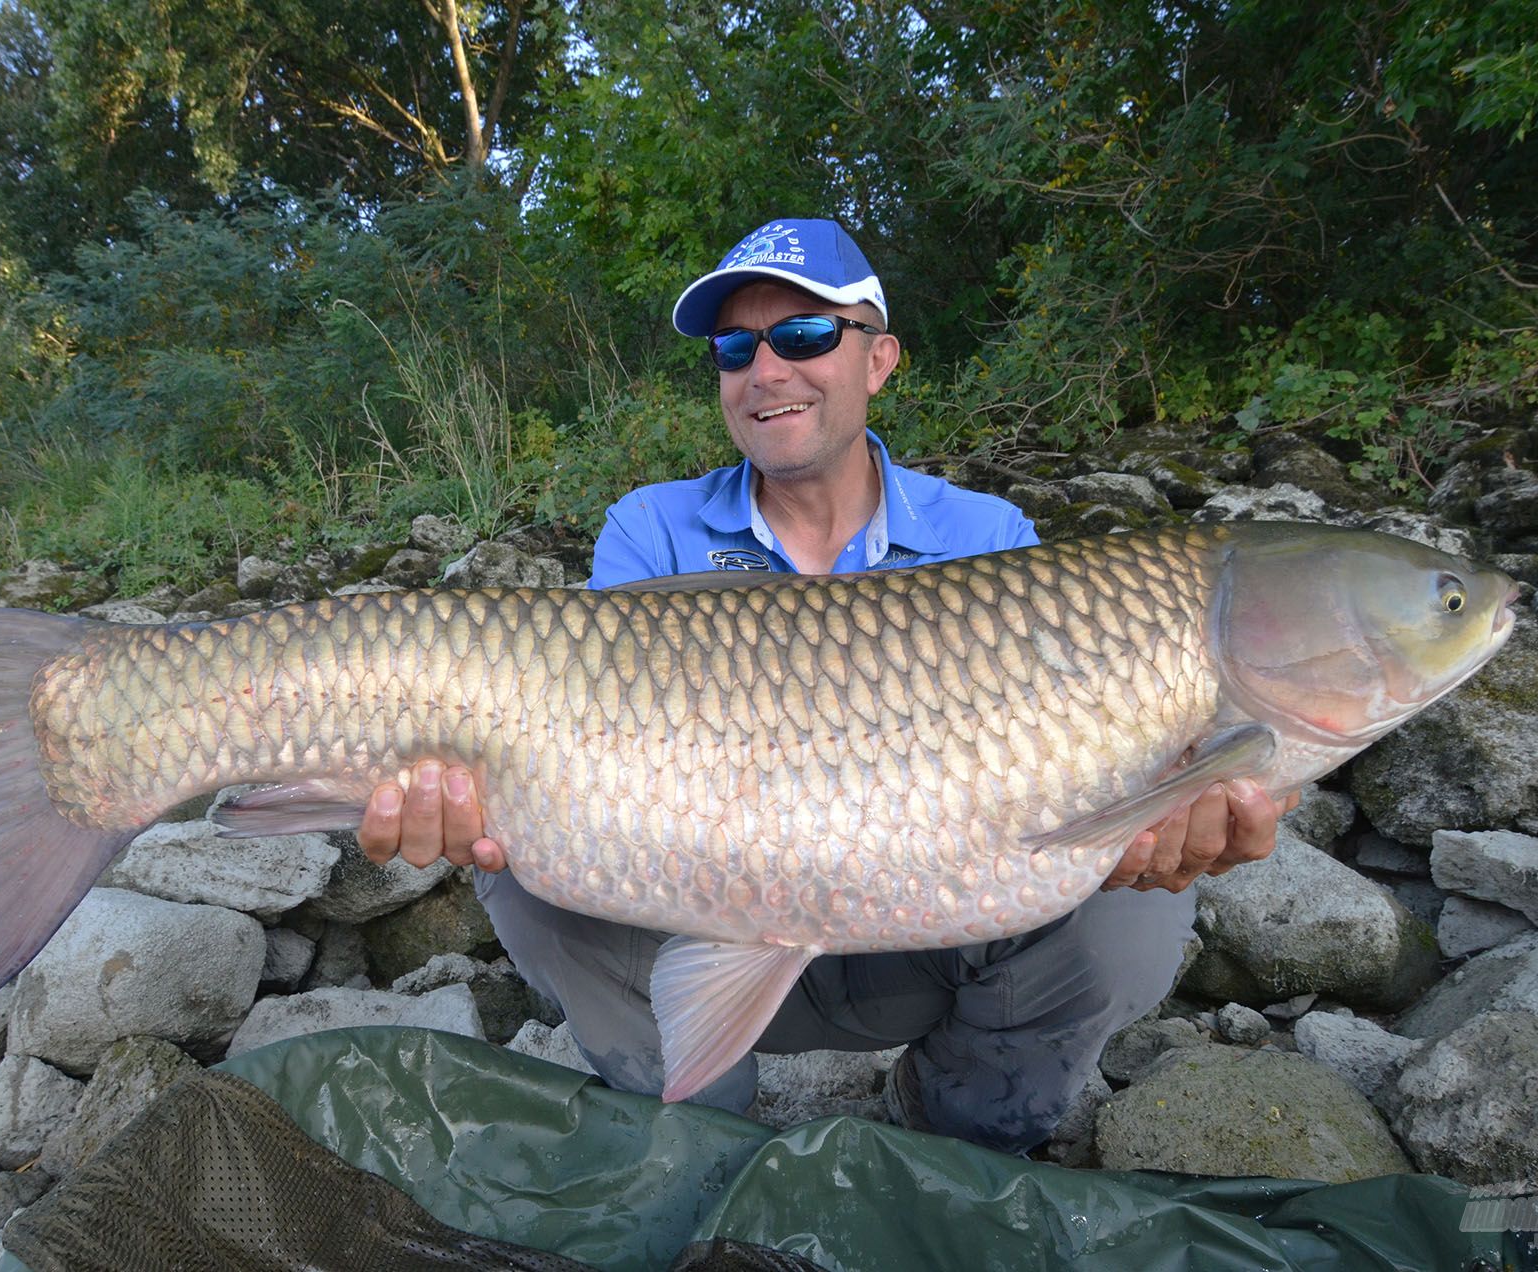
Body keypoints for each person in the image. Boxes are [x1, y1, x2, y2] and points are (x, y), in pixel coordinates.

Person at [357, 218, 1294, 1154]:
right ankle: (704, 1136)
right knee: (515, 850)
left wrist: (1169, 808)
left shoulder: (990, 536)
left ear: (880, 360)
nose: (766, 371)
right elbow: (581, 746)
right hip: (695, 910)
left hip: (932, 932)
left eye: (804, 336)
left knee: (1140, 902)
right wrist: (462, 788)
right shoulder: (650, 531)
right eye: (736, 347)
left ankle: (957, 1135)